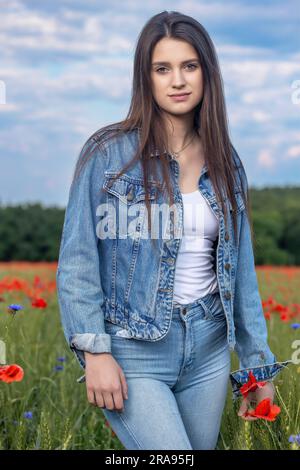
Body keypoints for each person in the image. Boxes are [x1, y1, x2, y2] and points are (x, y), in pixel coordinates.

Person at [56, 11, 293, 450]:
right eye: (162, 69)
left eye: (189, 66)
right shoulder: (108, 154)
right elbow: (77, 261)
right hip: (133, 351)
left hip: (208, 348)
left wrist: (256, 368)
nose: (177, 80)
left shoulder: (227, 160)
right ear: (145, 78)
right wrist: (94, 350)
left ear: (207, 73)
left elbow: (241, 273)